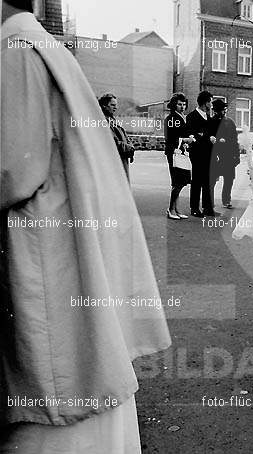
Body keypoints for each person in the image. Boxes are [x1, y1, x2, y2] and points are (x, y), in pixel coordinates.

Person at [0, 2, 171, 451]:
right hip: (70, 253)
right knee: (90, 368)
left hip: (49, 261)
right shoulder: (45, 47)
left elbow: (12, 171)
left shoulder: (15, 51)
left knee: (61, 386)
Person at [187, 90, 217, 217]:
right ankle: (194, 207)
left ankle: (207, 207)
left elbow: (210, 133)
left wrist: (213, 138)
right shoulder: (192, 117)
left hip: (209, 153)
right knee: (197, 180)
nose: (212, 104)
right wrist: (207, 138)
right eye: (210, 101)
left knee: (208, 180)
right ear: (205, 102)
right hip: (197, 153)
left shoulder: (208, 117)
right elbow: (192, 135)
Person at [164, 92, 192, 219]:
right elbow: (171, 137)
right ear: (174, 105)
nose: (182, 106)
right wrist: (186, 140)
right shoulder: (171, 119)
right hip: (174, 152)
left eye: (184, 104)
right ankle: (171, 209)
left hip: (182, 152)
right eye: (179, 104)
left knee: (181, 181)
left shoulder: (182, 117)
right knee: (177, 181)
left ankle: (176, 209)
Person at [208, 99, 240, 209]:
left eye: (224, 109)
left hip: (229, 155)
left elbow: (235, 140)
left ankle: (226, 200)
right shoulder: (211, 122)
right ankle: (210, 201)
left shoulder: (230, 122)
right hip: (215, 155)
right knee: (212, 180)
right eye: (221, 110)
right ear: (216, 111)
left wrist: (237, 156)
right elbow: (209, 138)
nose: (223, 112)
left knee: (229, 179)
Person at [98, 93, 134, 182]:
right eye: (112, 105)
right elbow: (113, 143)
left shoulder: (112, 120)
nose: (115, 107)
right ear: (104, 106)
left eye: (116, 105)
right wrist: (130, 148)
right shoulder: (103, 121)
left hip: (122, 160)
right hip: (114, 163)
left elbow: (125, 136)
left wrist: (130, 146)